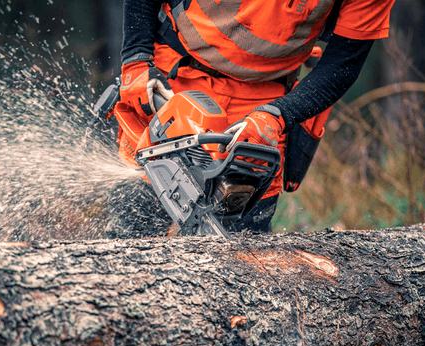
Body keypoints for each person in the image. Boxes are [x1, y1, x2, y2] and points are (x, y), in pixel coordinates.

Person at [115, 0, 395, 235]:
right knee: (132, 227)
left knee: (242, 252)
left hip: (263, 102)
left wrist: (279, 115)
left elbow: (343, 64)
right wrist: (136, 59)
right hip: (176, 76)